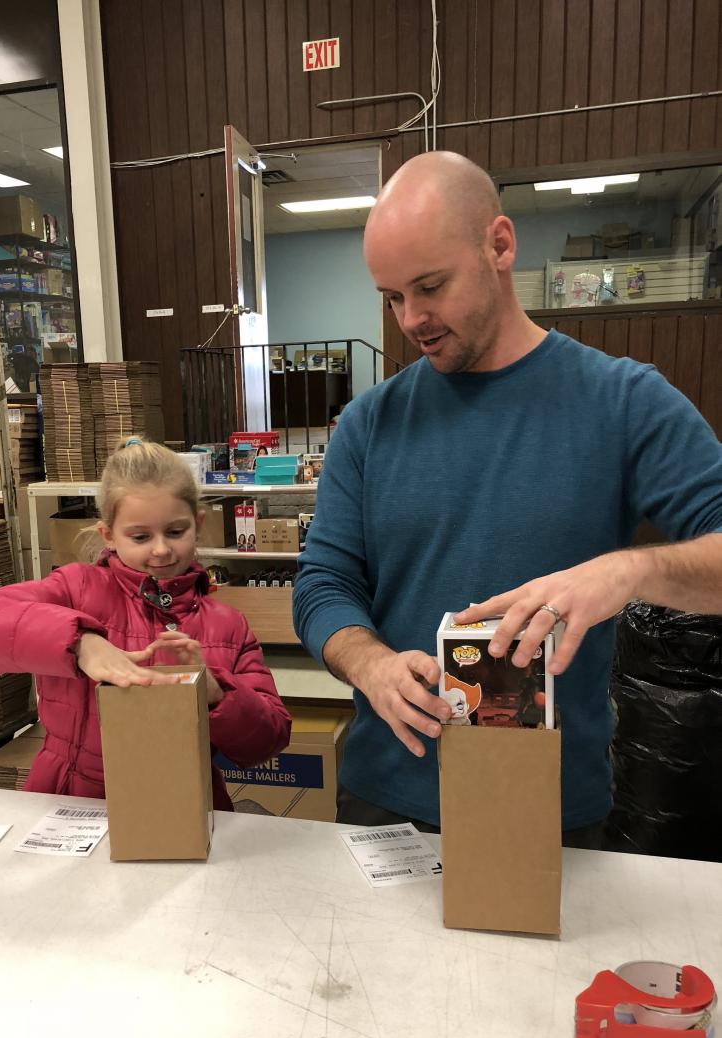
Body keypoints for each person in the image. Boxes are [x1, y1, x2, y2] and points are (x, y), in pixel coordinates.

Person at [292, 150, 722, 845]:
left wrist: (630, 572)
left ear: (499, 244)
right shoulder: (369, 424)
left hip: (546, 809)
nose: (411, 318)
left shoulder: (622, 401)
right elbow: (322, 585)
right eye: (393, 297)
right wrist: (369, 663)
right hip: (387, 804)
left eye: (430, 286)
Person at [0, 438, 291, 806]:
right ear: (108, 534)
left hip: (183, 805)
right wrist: (80, 641)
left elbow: (267, 741)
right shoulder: (76, 588)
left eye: (175, 532)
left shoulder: (228, 625)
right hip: (73, 801)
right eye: (140, 537)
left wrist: (216, 691)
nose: (160, 549)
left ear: (198, 523)